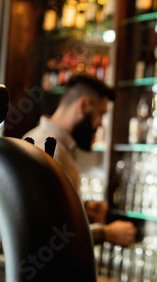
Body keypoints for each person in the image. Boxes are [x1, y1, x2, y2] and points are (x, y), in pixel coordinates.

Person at [24, 73, 136, 247]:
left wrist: (81, 208)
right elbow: (43, 235)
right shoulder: (48, 148)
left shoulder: (54, 144)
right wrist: (106, 234)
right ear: (83, 106)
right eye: (101, 114)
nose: (100, 124)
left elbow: (49, 210)